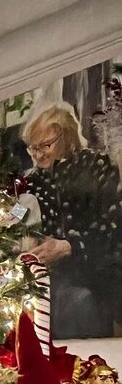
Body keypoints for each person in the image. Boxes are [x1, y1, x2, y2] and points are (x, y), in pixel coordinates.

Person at [21, 104, 122, 338]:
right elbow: (16, 218)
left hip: (93, 273)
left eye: (45, 145)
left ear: (66, 137)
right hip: (44, 277)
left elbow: (113, 228)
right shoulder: (30, 182)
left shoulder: (96, 166)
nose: (38, 154)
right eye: (33, 148)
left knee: (76, 302)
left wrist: (69, 246)